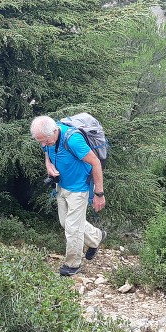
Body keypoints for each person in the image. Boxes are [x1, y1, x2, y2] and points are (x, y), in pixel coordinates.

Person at [30, 115, 106, 276]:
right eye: (39, 141)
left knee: (72, 227)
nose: (43, 144)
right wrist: (48, 164)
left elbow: (95, 163)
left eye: (45, 141)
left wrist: (99, 193)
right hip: (61, 185)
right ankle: (96, 237)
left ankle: (73, 264)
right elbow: (47, 151)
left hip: (79, 188)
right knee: (66, 222)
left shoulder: (73, 140)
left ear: (54, 132)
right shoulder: (47, 136)